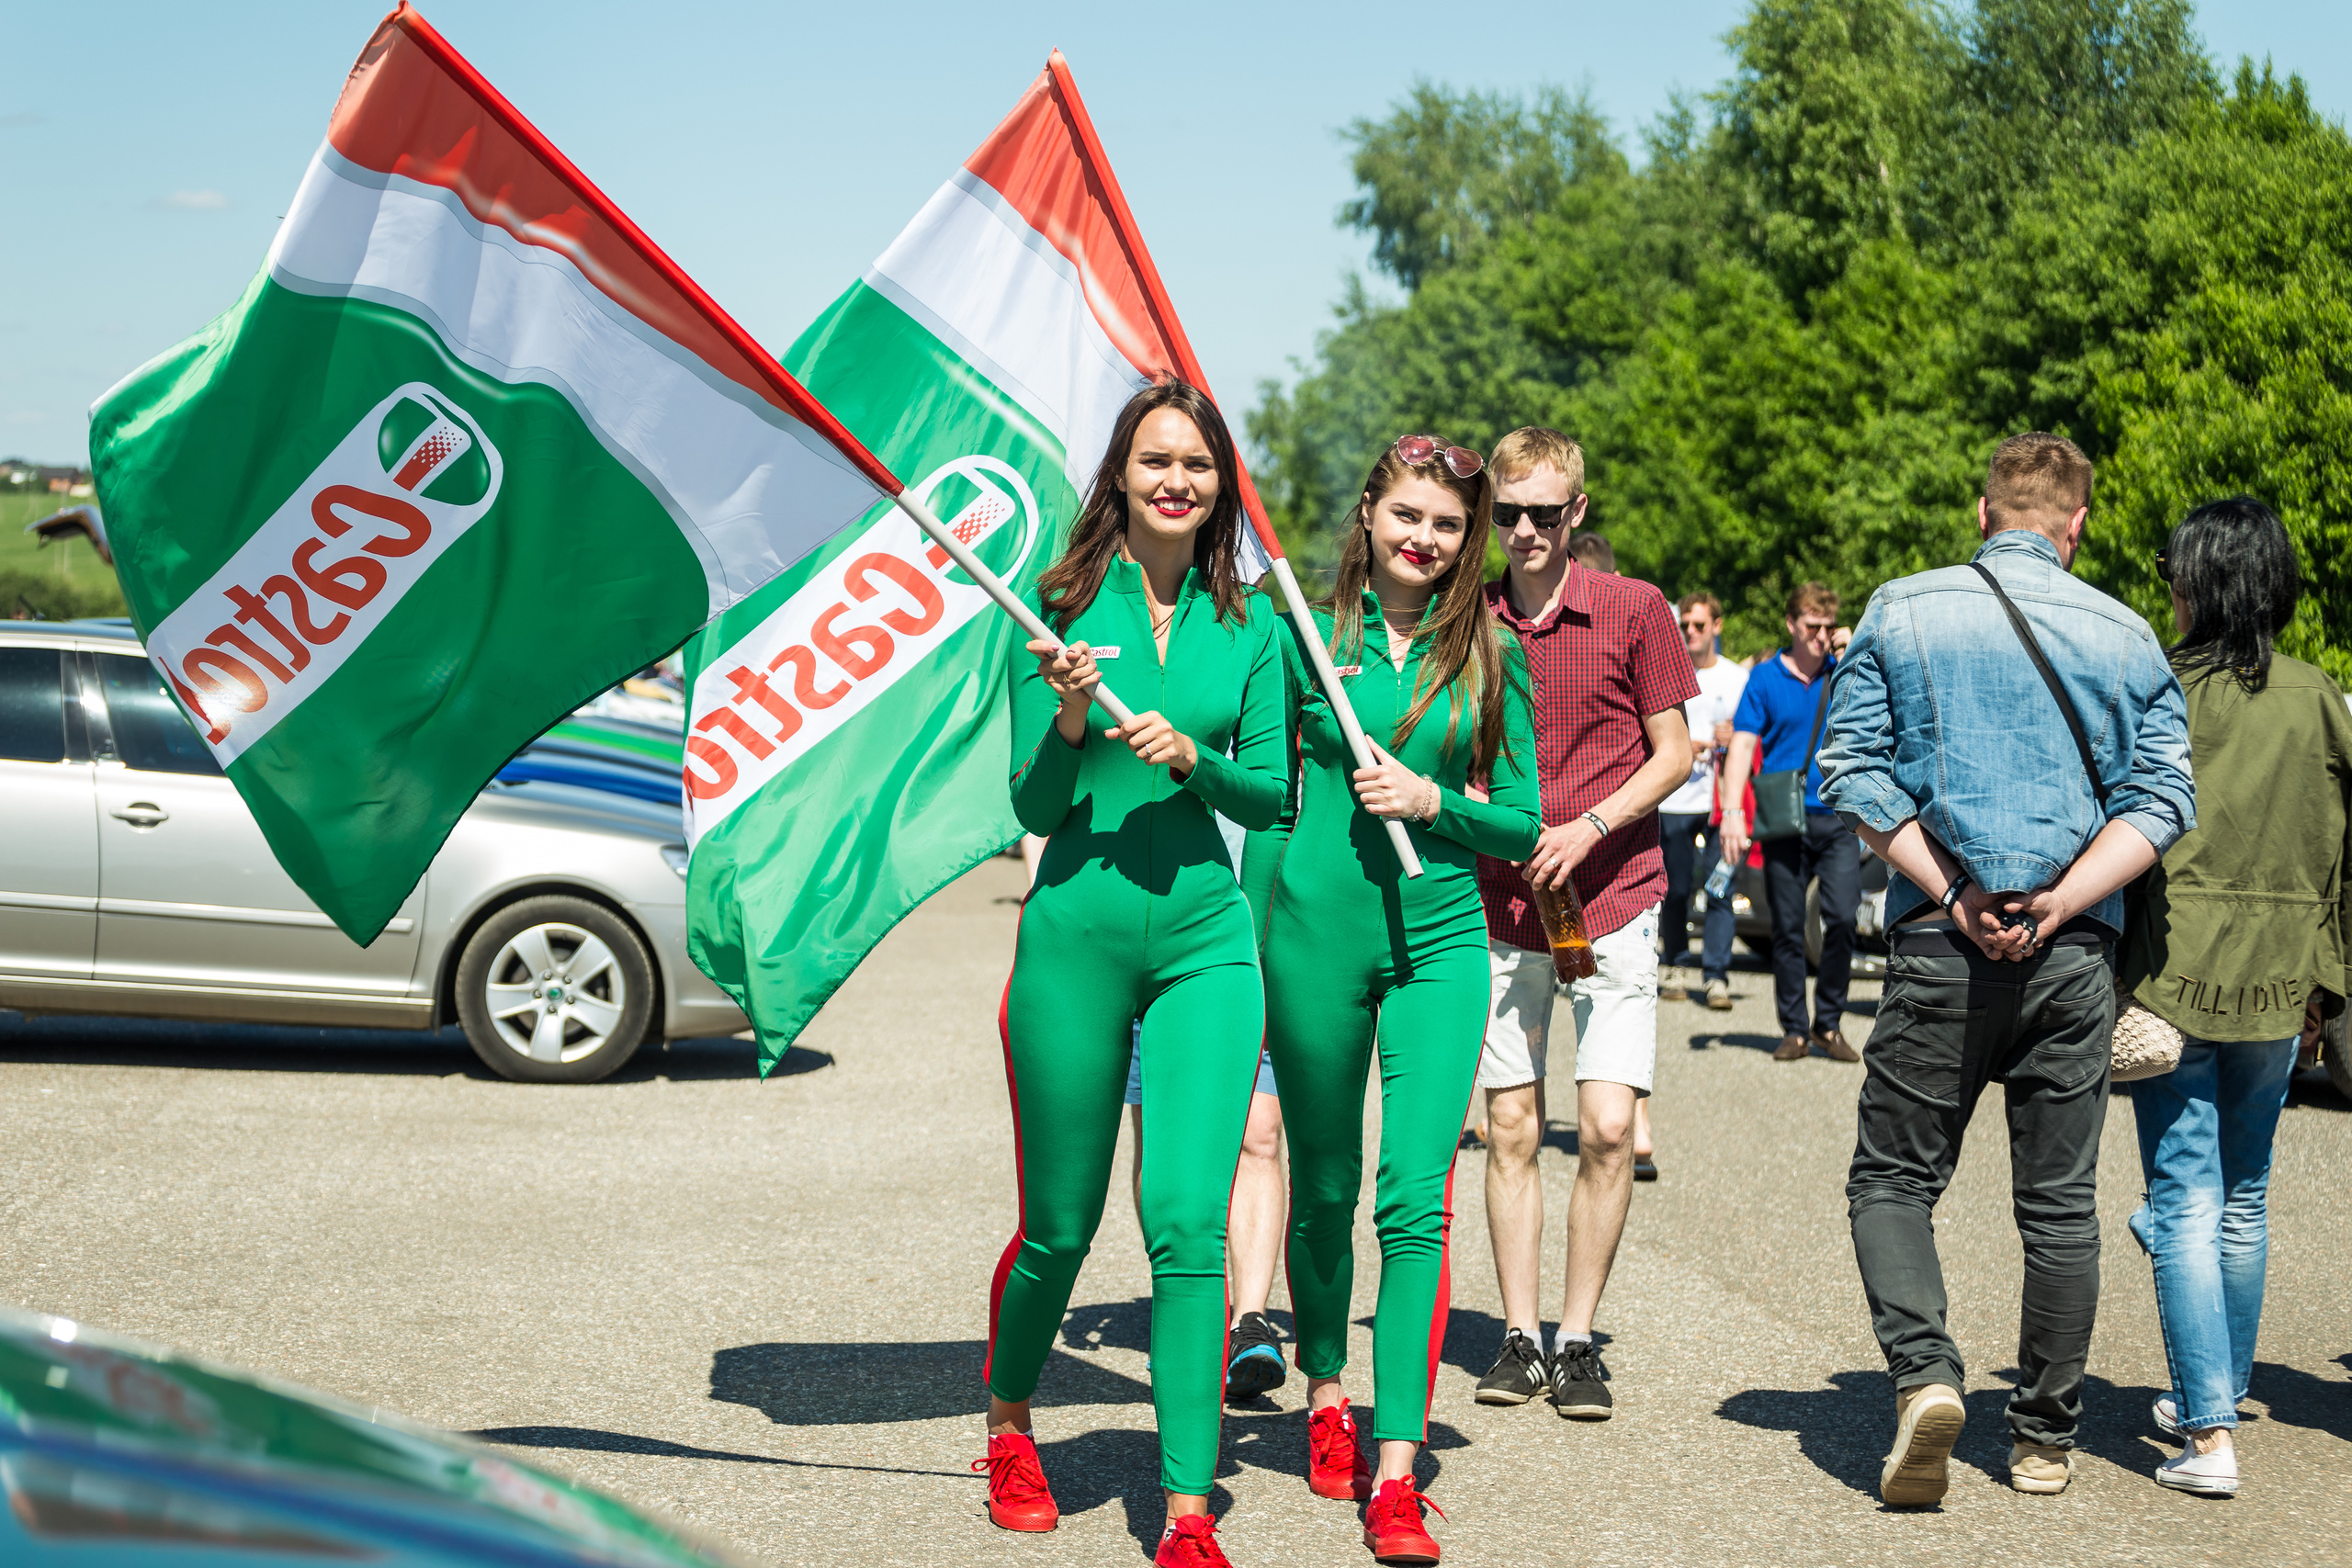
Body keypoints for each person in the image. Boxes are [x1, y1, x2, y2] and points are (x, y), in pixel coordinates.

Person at [1820, 432, 2195, 1506]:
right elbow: (2164, 801)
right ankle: (2041, 1439)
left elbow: (1848, 768)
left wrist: (1955, 893)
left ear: (1981, 514)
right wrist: (2065, 900)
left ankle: (1928, 1378)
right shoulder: (2127, 633)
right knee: (2060, 1207)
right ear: (2076, 525)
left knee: (1892, 1181)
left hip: (1943, 945)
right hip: (2074, 955)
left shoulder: (1902, 607)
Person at [984, 380, 1288, 1568]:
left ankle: (1190, 1507)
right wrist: (1068, 719)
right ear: (1119, 475)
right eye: (1156, 459)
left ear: (1222, 483)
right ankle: (1009, 1421)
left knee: (1186, 1223)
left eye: (1199, 463)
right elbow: (1031, 803)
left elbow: (1276, 791)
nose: (1178, 479)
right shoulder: (1057, 604)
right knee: (1057, 1227)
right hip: (1074, 942)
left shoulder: (1254, 620)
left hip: (1208, 947)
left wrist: (1197, 759)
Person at [1247, 434, 1540, 1562]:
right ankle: (1327, 1392)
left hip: (1443, 940)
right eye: (1407, 515)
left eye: (1448, 525)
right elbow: (1269, 807)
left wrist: (1432, 800)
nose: (1424, 539)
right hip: (1311, 940)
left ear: (1470, 543)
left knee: (1415, 1200)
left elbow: (1521, 823)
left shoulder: (1490, 656)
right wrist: (1243, 948)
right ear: (1369, 515)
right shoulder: (1302, 641)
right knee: (1322, 1189)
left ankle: (1397, 1472)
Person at [2119, 498, 2352, 1497]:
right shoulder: (2319, 696)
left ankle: (2208, 1432)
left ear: (2198, 584)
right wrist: (2326, 984)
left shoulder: (2159, 687)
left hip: (2172, 970)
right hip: (2281, 974)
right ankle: (2214, 1386)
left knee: (2181, 1200)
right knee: (2240, 1194)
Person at [1467, 427, 1695, 1417]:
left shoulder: (1634, 610)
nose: (1523, 531)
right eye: (1506, 513)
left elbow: (1676, 751)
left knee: (1606, 1129)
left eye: (1543, 513)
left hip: (1614, 897)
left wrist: (1591, 824)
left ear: (1577, 515)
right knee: (1510, 1127)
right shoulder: (1461, 618)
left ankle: (1577, 1339)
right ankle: (1518, 1338)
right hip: (1495, 908)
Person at [1721, 584, 1863, 1061]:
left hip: (1838, 816)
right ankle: (1795, 1029)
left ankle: (1829, 1023)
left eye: (1828, 628)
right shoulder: (1763, 679)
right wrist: (1732, 814)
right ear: (1791, 625)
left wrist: (1850, 648)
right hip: (1783, 818)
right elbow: (1741, 746)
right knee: (1785, 926)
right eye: (1812, 627)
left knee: (1842, 917)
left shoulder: (1843, 671)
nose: (1821, 637)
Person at [1123, 1036, 1292, 1402]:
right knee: (1164, 1137)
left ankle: (1250, 1325)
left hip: (1254, 981)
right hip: (1154, 988)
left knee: (1259, 1134)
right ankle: (1182, 1311)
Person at [1657, 592, 1746, 1013]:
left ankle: (1716, 976)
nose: (1690, 632)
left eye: (1698, 625)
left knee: (1720, 888)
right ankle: (1673, 962)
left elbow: (1754, 736)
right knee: (1673, 890)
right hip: (1674, 801)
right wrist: (1680, 745)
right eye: (1685, 625)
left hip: (1721, 802)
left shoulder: (1735, 678)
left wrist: (1737, 738)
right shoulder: (1666, 670)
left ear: (1717, 626)